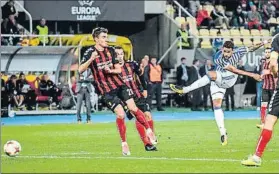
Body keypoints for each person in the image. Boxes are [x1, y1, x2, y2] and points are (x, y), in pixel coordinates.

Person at [170, 40, 266, 146]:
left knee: (211, 74)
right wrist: (252, 75)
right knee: (216, 105)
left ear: (233, 51)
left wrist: (263, 42)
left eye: (228, 52)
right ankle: (223, 133)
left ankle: (185, 90)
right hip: (219, 79)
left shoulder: (239, 51)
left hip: (229, 79)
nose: (226, 54)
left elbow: (252, 47)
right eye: (224, 51)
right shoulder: (218, 57)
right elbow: (233, 69)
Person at [78, 27, 156, 156]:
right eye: (103, 37)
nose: (106, 39)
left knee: (133, 108)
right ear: (96, 39)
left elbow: (119, 70)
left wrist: (110, 71)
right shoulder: (89, 52)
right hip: (106, 90)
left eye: (106, 36)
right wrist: (91, 59)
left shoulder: (111, 50)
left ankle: (148, 130)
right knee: (121, 115)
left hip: (120, 85)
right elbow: (80, 69)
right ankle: (124, 143)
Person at [241, 34, 279, 167]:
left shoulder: (277, 38)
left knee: (269, 121)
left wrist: (275, 74)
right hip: (267, 87)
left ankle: (257, 157)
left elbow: (273, 64)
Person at [115, 46, 157, 151]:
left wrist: (144, 88)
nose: (120, 56)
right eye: (117, 54)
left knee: (148, 115)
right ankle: (147, 144)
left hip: (137, 94)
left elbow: (141, 75)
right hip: (126, 99)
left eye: (121, 54)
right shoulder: (112, 69)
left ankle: (150, 136)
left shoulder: (131, 64)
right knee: (139, 117)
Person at [256, 47, 276, 129]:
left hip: (273, 87)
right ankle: (263, 122)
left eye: (269, 52)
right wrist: (261, 76)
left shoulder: (274, 62)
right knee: (263, 105)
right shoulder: (263, 62)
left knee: (274, 106)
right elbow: (263, 73)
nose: (267, 53)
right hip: (265, 86)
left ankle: (271, 121)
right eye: (266, 52)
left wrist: (268, 72)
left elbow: (276, 72)